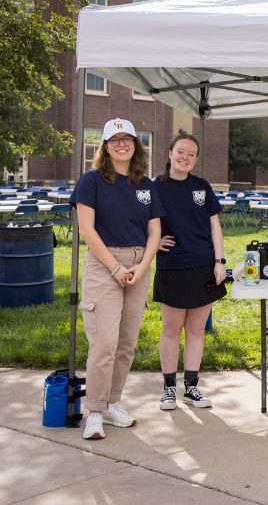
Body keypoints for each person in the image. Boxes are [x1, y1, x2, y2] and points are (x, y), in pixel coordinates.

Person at [70, 118, 163, 440]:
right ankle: (94, 411)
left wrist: (142, 266)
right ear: (105, 146)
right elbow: (87, 230)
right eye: (114, 139)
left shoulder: (146, 185)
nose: (121, 144)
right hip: (104, 265)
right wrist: (114, 267)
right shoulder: (92, 180)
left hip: (139, 265)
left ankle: (111, 404)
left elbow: (155, 231)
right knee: (104, 344)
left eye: (127, 139)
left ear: (136, 145)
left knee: (126, 344)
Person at [153, 134, 227, 410]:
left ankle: (192, 387)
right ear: (169, 153)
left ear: (196, 159)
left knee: (196, 330)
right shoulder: (154, 188)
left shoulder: (202, 187)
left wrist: (219, 261)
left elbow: (215, 226)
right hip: (172, 267)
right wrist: (154, 242)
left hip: (204, 267)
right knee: (171, 330)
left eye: (191, 154)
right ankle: (169, 388)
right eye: (181, 151)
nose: (185, 157)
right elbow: (137, 222)